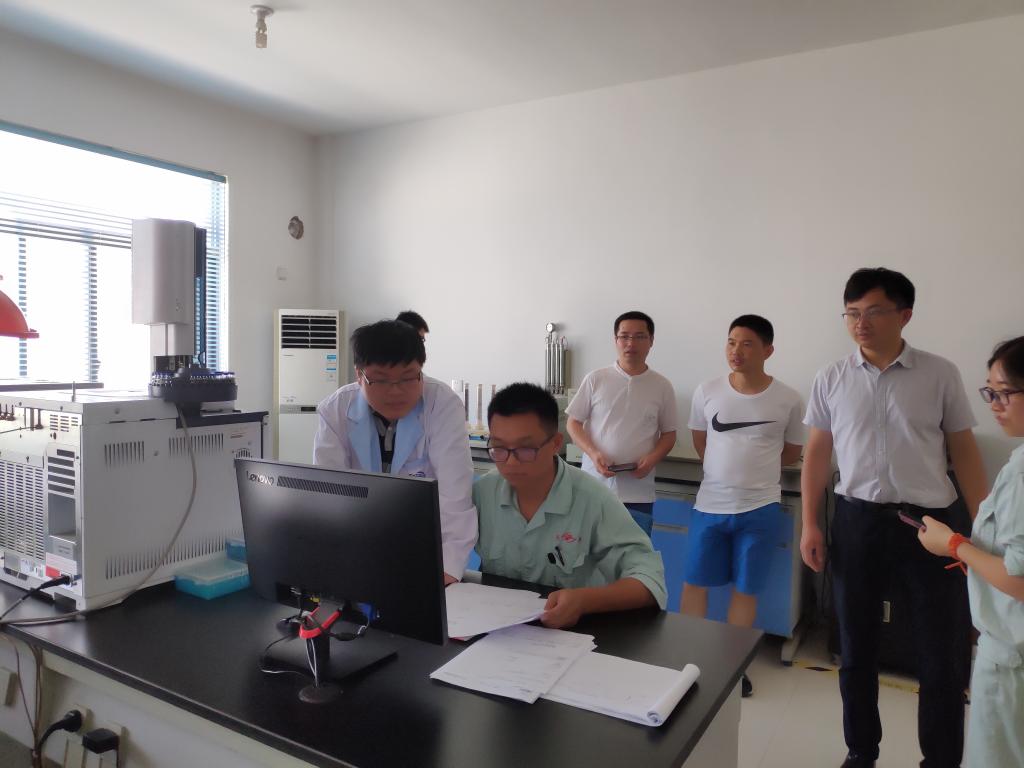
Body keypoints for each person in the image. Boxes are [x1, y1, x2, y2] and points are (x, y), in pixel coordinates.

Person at [800, 268, 988, 768]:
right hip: (857, 520)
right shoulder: (831, 377)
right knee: (855, 645)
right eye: (852, 313)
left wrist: (983, 526)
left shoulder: (939, 373)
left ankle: (941, 759)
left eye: (874, 312)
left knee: (941, 650)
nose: (860, 323)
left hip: (931, 526)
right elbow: (817, 454)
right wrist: (811, 524)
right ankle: (861, 751)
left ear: (905, 315)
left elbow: (964, 451)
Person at [474, 382, 667, 629]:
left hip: (576, 634)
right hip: (500, 630)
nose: (510, 462)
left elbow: (650, 581)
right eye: (499, 448)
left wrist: (584, 601)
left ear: (556, 444)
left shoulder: (594, 499)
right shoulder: (482, 494)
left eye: (525, 449)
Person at [915, 336, 1024, 768]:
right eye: (989, 392)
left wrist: (955, 545)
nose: (994, 405)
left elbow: (1018, 579)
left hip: (1012, 657)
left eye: (1004, 393)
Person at [681, 314, 803, 698]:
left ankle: (733, 667)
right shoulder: (708, 390)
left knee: (746, 590)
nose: (736, 350)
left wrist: (753, 470)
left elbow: (792, 452)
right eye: (732, 342)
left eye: (747, 343)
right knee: (695, 583)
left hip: (760, 507)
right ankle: (687, 659)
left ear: (768, 350)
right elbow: (701, 441)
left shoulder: (788, 398)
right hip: (710, 505)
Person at [314, 319, 476, 584]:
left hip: (425, 547)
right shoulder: (335, 410)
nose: (396, 391)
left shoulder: (442, 404)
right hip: (358, 546)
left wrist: (445, 572)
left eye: (409, 377)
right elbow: (329, 495)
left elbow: (454, 496)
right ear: (359, 375)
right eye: (381, 380)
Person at [566, 311, 678, 536]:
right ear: (615, 340)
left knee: (634, 554)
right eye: (624, 336)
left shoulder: (662, 386)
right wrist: (594, 454)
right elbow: (573, 423)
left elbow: (669, 434)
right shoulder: (596, 379)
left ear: (651, 341)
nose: (630, 343)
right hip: (594, 487)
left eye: (639, 336)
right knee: (587, 552)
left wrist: (652, 459)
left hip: (639, 493)